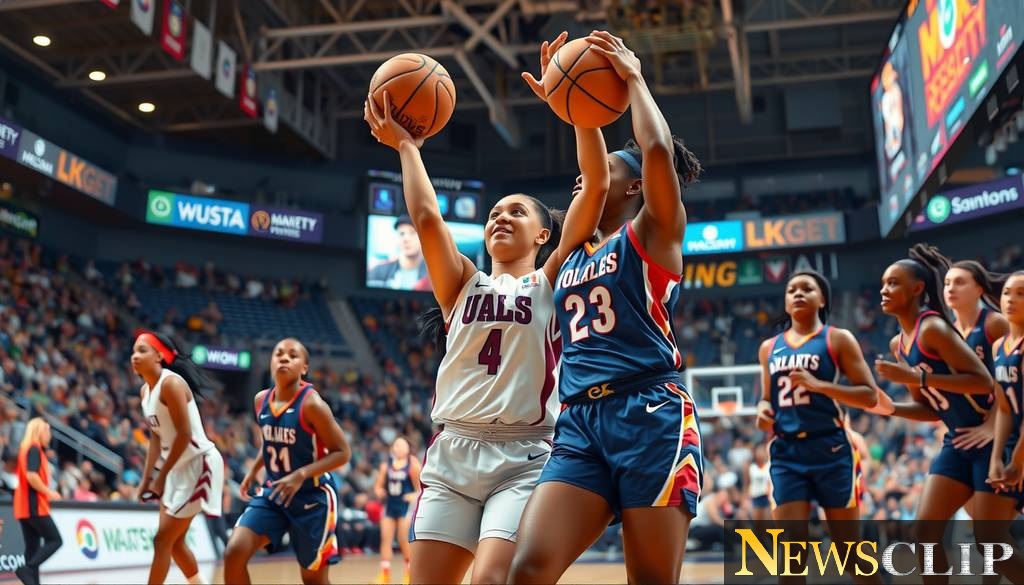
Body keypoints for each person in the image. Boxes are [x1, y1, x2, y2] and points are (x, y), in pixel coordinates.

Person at [365, 30, 609, 584]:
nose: (500, 216)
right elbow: (426, 218)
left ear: (545, 234)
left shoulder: (551, 281)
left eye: (517, 212)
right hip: (451, 453)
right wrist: (408, 147)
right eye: (494, 212)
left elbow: (593, 188)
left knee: (492, 580)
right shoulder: (462, 285)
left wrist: (577, 110)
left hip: (524, 457)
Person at [509, 30, 703, 585]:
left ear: (635, 186)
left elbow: (658, 150)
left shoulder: (653, 236)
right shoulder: (570, 251)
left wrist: (634, 78)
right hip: (580, 423)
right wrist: (574, 106)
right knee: (528, 570)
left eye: (610, 174)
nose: (582, 181)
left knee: (649, 579)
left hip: (650, 413)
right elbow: (591, 172)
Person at [875, 245, 1024, 584]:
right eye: (947, 282)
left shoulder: (970, 326)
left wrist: (990, 425)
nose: (883, 290)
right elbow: (932, 407)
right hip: (958, 441)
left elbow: (994, 383)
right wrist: (891, 407)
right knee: (925, 533)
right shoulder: (901, 344)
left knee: (991, 543)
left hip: (997, 439)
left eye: (893, 282)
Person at [754, 271, 882, 584]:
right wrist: (763, 411)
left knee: (850, 555)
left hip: (832, 449)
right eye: (791, 290)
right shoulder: (769, 348)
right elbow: (766, 399)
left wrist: (821, 386)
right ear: (785, 301)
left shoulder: (837, 339)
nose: (798, 294)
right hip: (787, 453)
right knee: (790, 559)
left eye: (807, 289)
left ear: (821, 299)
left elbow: (869, 394)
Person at [224, 338, 352, 585]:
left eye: (292, 355)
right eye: (278, 354)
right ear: (271, 362)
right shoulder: (261, 400)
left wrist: (300, 474)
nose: (284, 358)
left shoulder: (312, 404)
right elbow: (273, 440)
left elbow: (342, 452)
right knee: (234, 551)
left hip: (312, 496)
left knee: (313, 580)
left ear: (304, 368)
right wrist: (254, 469)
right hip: (275, 492)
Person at [134, 331, 224, 585]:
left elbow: (184, 435)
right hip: (176, 468)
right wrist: (146, 479)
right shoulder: (145, 392)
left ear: (159, 356)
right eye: (133, 351)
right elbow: (156, 438)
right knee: (173, 543)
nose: (134, 356)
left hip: (199, 464)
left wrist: (160, 477)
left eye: (142, 350)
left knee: (162, 540)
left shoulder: (171, 384)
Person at [14, 418, 61, 585]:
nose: (49, 435)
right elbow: (32, 476)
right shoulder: (33, 449)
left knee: (32, 549)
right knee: (55, 540)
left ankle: (32, 580)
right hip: (32, 504)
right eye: (47, 431)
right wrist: (49, 492)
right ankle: (26, 569)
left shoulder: (26, 449)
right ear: (39, 431)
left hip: (23, 505)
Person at [373, 437, 421, 584]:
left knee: (403, 540)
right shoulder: (386, 465)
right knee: (385, 539)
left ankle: (409, 573)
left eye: (402, 445)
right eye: (397, 445)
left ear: (408, 448)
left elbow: (420, 488)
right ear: (392, 448)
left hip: (404, 506)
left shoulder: (412, 464)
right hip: (390, 505)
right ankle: (385, 574)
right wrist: (379, 491)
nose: (399, 448)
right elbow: (378, 486)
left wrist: (413, 495)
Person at [366, 216, 429, 291]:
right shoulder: (378, 271)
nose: (406, 239)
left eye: (413, 233)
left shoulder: (434, 276)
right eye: (402, 233)